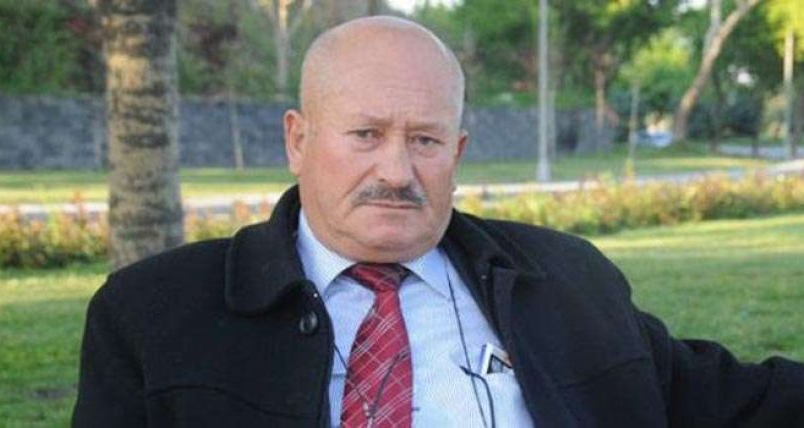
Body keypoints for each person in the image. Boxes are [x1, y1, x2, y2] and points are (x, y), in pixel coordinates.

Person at [72, 16, 804, 428]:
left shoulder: (564, 280)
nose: (397, 171)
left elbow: (721, 398)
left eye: (424, 140)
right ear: (298, 139)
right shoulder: (154, 313)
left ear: (456, 152)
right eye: (366, 134)